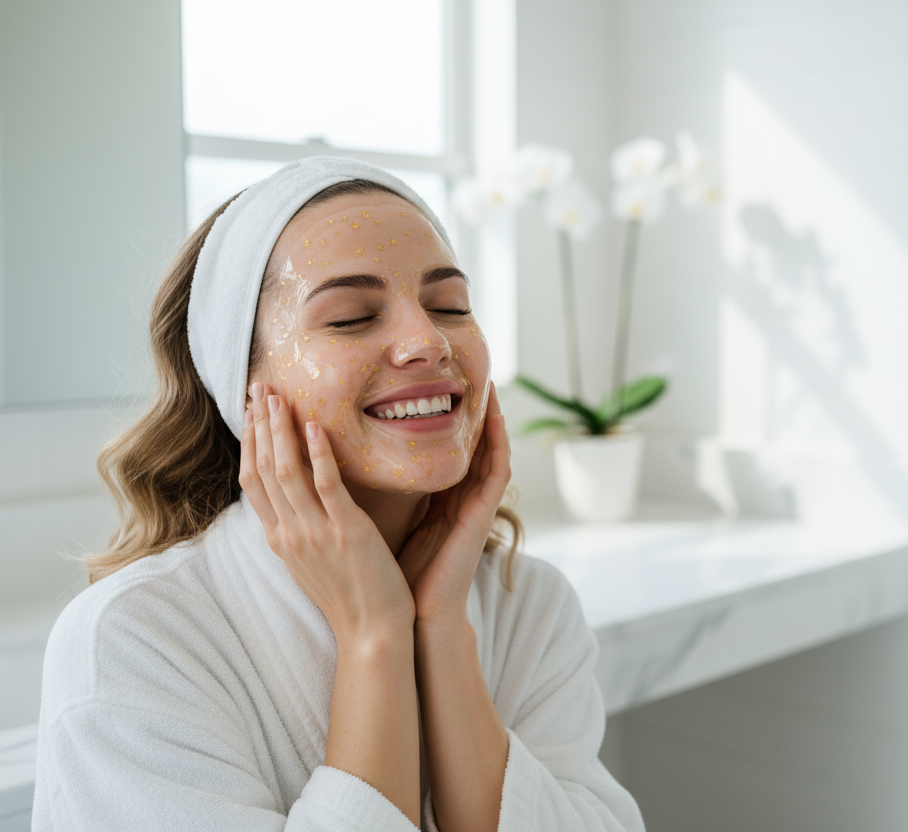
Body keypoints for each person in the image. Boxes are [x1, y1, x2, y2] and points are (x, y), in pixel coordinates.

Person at [32, 157, 645, 832]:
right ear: (243, 387)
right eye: (351, 317)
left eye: (450, 306)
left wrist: (441, 630)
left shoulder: (528, 605)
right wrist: (374, 633)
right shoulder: (132, 641)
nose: (428, 341)